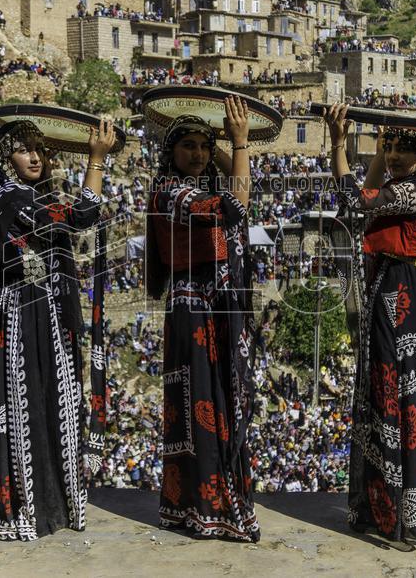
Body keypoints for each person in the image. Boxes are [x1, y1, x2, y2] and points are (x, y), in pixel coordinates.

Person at [0, 118, 115, 540]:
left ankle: (51, 503)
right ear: (6, 158)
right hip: (24, 315)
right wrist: (96, 160)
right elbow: (81, 215)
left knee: (50, 403)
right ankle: (30, 508)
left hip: (41, 311)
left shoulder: (24, 195)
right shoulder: (14, 196)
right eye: (23, 149)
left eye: (40, 149)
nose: (34, 157)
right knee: (27, 405)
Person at [323, 105, 416, 550]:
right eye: (392, 146)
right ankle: (391, 509)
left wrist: (337, 143)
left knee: (399, 398)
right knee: (404, 398)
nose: (396, 155)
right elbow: (368, 195)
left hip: (398, 297)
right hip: (406, 292)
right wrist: (380, 154)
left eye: (404, 148)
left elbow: (353, 200)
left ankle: (404, 516)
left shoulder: (415, 192)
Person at [144, 97, 260, 541]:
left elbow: (238, 190)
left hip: (213, 308)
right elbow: (237, 205)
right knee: (202, 408)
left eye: (203, 147)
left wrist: (228, 143)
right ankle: (209, 508)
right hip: (195, 311)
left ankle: (202, 506)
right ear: (171, 151)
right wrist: (241, 143)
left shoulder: (200, 184)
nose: (197, 154)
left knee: (217, 406)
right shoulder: (171, 193)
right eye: (188, 145)